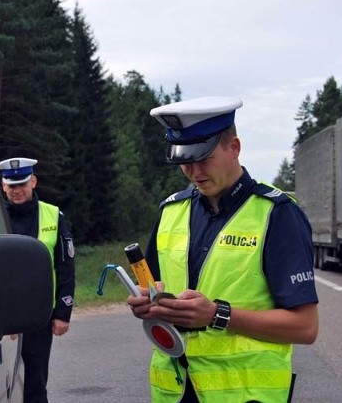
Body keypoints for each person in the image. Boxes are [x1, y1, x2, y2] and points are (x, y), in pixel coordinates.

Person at [127, 97, 319, 403]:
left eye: (203, 158)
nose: (193, 171)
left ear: (234, 148)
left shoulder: (277, 214)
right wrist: (147, 302)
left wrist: (218, 315)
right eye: (184, 161)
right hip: (173, 392)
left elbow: (305, 327)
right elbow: (153, 287)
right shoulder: (170, 211)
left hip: (246, 395)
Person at [0, 157, 75, 403]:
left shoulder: (53, 215)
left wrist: (63, 312)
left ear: (33, 182)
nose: (17, 190)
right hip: (1, 317)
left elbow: (65, 266)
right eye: (11, 185)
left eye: (22, 184)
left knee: (35, 383)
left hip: (39, 314)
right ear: (3, 186)